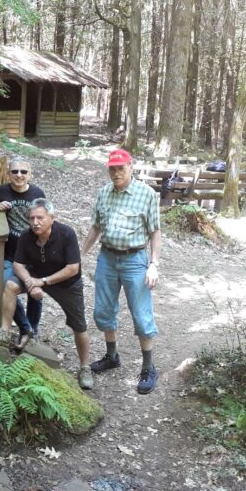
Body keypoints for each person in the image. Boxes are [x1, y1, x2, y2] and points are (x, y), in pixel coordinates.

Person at [0, 199, 93, 389]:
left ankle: (85, 367)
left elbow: (73, 268)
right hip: (35, 275)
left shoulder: (66, 234)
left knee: (79, 326)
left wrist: (43, 282)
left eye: (40, 218)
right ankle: (4, 332)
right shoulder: (27, 236)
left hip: (66, 283)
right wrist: (30, 282)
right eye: (32, 218)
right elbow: (18, 264)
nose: (35, 222)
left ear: (52, 218)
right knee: (10, 285)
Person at [81, 148, 161, 395]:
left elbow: (155, 231)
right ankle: (112, 356)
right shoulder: (104, 193)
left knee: (141, 314)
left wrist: (154, 264)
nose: (116, 173)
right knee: (103, 310)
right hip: (107, 257)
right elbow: (96, 227)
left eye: (121, 168)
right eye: (112, 168)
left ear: (130, 167)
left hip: (135, 259)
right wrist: (80, 254)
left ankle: (148, 367)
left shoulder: (146, 194)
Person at [0, 157, 46, 349]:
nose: (19, 175)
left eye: (23, 172)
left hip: (34, 255)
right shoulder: (0, 192)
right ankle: (25, 328)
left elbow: (46, 221)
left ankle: (33, 330)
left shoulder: (37, 193)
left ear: (30, 174)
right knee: (4, 286)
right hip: (10, 254)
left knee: (35, 293)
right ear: (8, 174)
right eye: (15, 171)